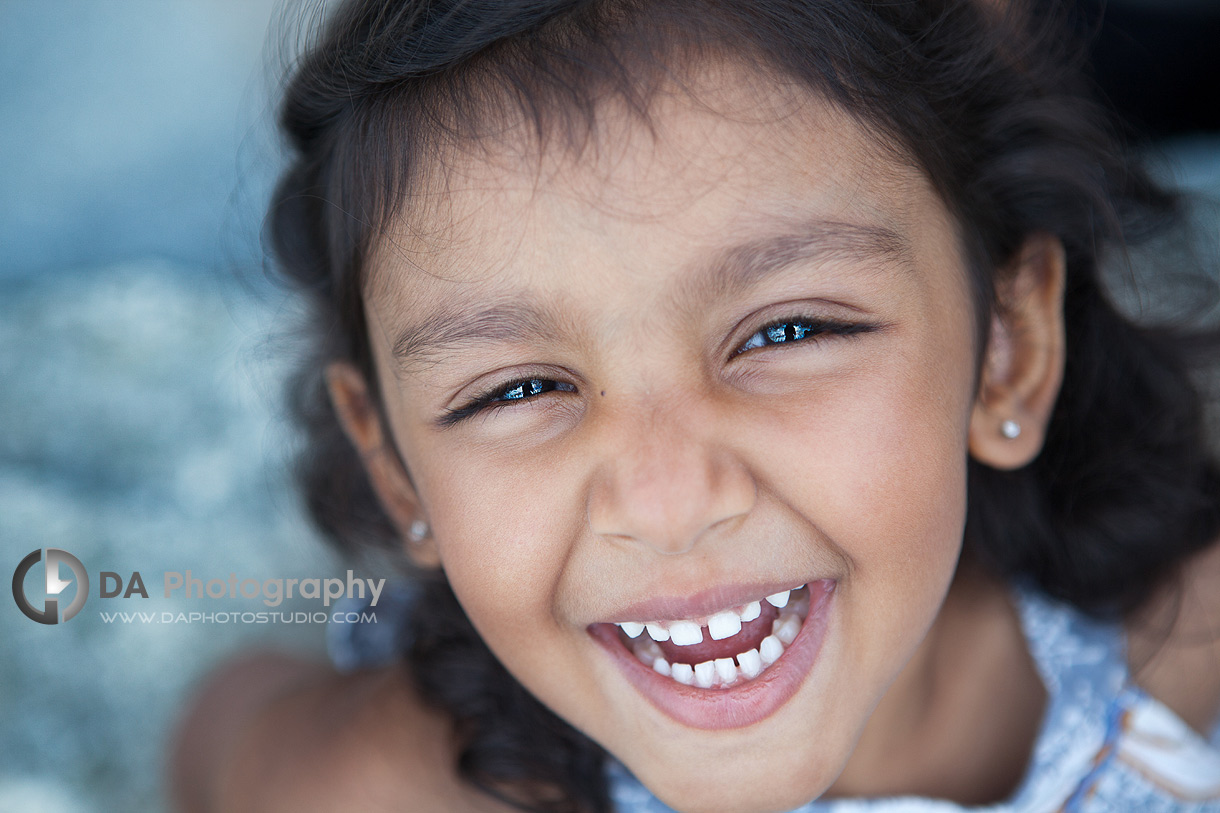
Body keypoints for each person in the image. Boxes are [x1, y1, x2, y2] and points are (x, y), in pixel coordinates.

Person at [171, 0, 1220, 810]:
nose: (668, 501)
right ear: (398, 470)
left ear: (1006, 352)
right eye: (518, 388)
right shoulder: (392, 784)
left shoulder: (1159, 648)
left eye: (786, 332)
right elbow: (217, 727)